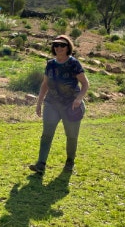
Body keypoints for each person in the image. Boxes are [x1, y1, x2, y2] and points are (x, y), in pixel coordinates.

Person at [28, 34, 89, 174]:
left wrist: (79, 99)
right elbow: (45, 85)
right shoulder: (50, 64)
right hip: (52, 104)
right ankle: (41, 164)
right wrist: (39, 103)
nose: (58, 47)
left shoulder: (74, 63)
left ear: (68, 47)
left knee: (72, 136)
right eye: (56, 45)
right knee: (47, 135)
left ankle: (70, 163)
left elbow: (85, 84)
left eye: (62, 45)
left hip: (71, 106)